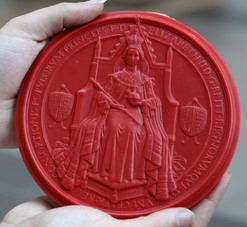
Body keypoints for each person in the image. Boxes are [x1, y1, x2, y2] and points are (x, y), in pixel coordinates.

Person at [0, 1, 231, 226]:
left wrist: (142, 101)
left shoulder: (146, 80)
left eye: (136, 56)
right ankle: (107, 172)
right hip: (113, 114)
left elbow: (156, 103)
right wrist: (107, 102)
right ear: (125, 57)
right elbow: (100, 97)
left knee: (134, 130)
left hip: (138, 116)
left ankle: (130, 176)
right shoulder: (114, 78)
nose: (133, 58)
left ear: (140, 58)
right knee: (113, 126)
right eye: (129, 55)